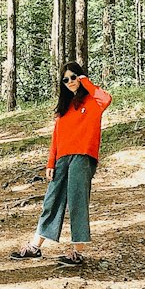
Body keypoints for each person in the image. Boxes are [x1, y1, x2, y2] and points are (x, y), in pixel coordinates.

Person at [10, 61, 112, 268]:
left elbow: (106, 98)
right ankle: (35, 247)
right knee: (51, 200)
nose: (70, 82)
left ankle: (77, 252)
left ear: (81, 77)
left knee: (77, 201)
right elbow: (56, 137)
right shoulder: (63, 109)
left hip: (83, 156)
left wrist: (85, 82)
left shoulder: (93, 101)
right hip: (62, 159)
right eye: (65, 79)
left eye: (73, 77)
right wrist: (51, 162)